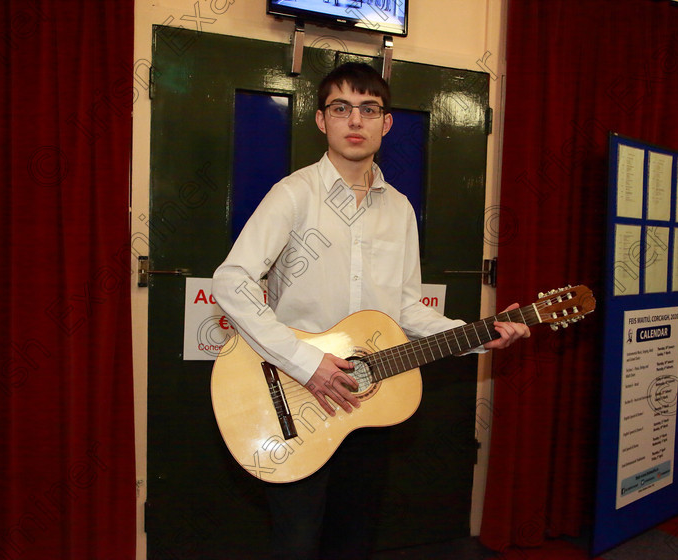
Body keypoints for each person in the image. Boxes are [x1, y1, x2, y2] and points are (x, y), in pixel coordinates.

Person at [212, 62, 529, 560]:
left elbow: (403, 306)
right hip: (291, 397)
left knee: (353, 539)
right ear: (321, 120)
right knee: (295, 543)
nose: (355, 121)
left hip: (366, 405)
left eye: (369, 109)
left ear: (386, 123)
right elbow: (231, 281)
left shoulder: (399, 209)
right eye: (341, 108)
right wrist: (306, 362)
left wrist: (475, 334)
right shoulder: (293, 195)